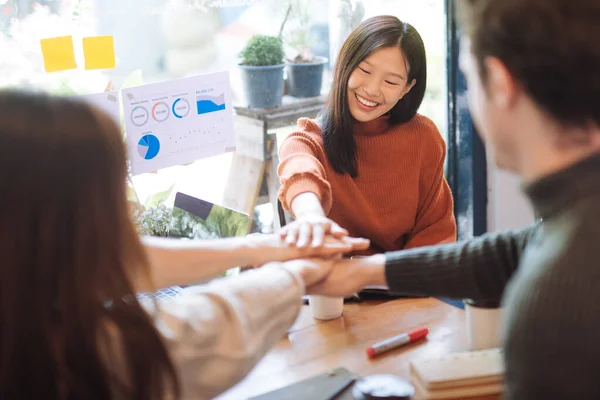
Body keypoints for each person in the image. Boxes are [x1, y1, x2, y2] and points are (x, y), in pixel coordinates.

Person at [308, 0, 600, 398]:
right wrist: (364, 272)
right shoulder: (576, 220)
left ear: (499, 83)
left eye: (468, 78)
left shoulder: (554, 306)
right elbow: (516, 249)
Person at [0, 90, 368, 400]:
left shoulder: (25, 274)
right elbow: (202, 330)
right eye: (113, 197)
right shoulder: (77, 355)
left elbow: (119, 260)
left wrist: (265, 247)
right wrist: (297, 273)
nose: (127, 209)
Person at [277, 15, 456, 253]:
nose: (372, 90)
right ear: (345, 64)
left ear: (407, 89)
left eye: (391, 82)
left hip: (402, 281)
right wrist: (310, 214)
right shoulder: (308, 140)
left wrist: (394, 282)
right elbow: (299, 172)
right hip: (333, 284)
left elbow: (436, 233)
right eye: (364, 70)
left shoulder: (424, 138)